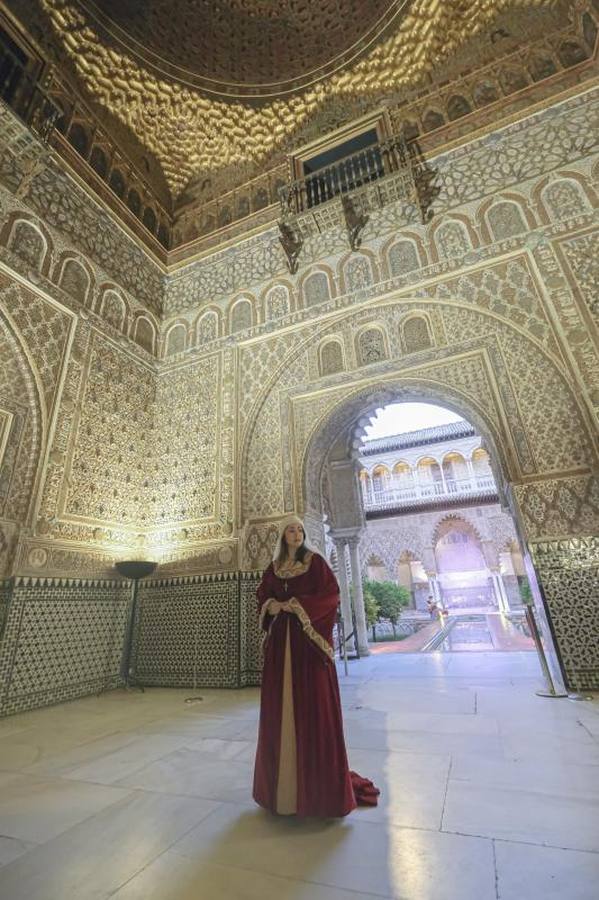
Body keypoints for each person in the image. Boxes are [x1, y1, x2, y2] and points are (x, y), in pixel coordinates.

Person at [253, 515, 379, 817]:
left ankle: (318, 792)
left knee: (312, 707)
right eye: (290, 530)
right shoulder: (274, 568)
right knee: (281, 709)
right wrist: (272, 605)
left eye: (299, 529)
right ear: (283, 536)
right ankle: (283, 794)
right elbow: (263, 594)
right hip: (280, 647)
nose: (296, 534)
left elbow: (330, 596)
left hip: (308, 648)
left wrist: (297, 606)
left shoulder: (316, 563)